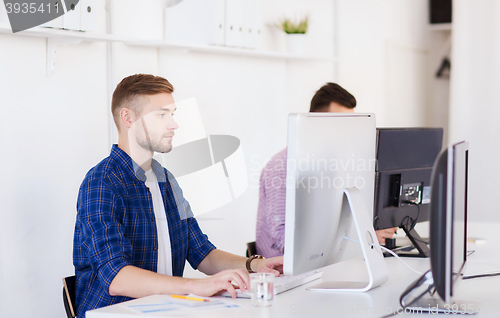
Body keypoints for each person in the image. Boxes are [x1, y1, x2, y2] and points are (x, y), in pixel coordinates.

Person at [73, 74, 283, 318]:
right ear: (128, 118)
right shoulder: (102, 183)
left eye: (172, 114)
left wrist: (254, 265)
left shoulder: (165, 179)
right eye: (161, 115)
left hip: (165, 311)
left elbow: (201, 253)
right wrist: (196, 287)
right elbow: (116, 277)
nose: (173, 124)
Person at [255, 82, 397, 258]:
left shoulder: (336, 163)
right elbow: (285, 242)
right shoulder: (280, 167)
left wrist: (368, 231)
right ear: (314, 121)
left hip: (328, 264)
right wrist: (362, 240)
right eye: (339, 122)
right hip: (282, 274)